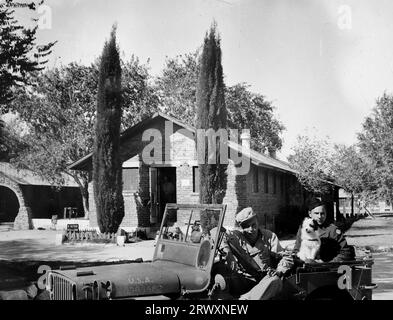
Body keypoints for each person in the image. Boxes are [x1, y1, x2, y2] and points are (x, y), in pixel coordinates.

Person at [221, 207, 294, 300]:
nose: (251, 229)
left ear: (258, 221)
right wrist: (229, 254)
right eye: (246, 226)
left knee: (275, 281)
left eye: (254, 224)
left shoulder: (269, 236)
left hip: (264, 280)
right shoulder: (236, 237)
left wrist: (279, 270)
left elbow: (286, 257)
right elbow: (217, 233)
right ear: (241, 227)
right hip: (245, 279)